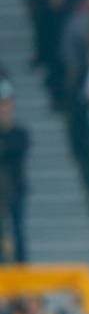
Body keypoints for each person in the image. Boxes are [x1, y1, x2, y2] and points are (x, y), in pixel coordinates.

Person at [0, 91, 30, 262]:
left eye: (5, 105)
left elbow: (14, 149)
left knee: (19, 229)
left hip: (16, 188)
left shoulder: (19, 132)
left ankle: (22, 266)